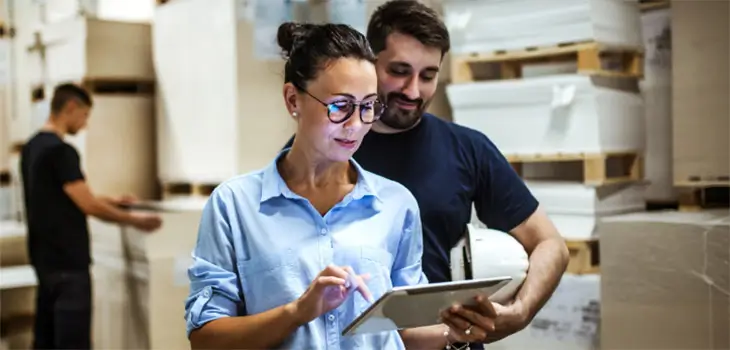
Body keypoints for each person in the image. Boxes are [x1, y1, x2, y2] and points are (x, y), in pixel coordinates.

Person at [283, 0, 571, 348]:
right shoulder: (322, 147)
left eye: (428, 75)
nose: (413, 90)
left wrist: (521, 311)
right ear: (370, 64)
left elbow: (550, 243)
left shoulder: (467, 149)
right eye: (400, 71)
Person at [185, 21, 471, 349]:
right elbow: (205, 339)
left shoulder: (396, 204)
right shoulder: (234, 206)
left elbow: (403, 331)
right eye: (340, 106)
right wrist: (298, 312)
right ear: (293, 99)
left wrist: (457, 332)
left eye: (367, 107)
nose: (355, 126)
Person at [20, 83, 163, 349]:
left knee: (46, 340)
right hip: (68, 266)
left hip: (45, 263)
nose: (84, 125)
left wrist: (112, 200)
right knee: (72, 341)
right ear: (71, 108)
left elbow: (61, 197)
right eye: (85, 116)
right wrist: (135, 220)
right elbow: (88, 205)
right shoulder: (62, 152)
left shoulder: (32, 148)